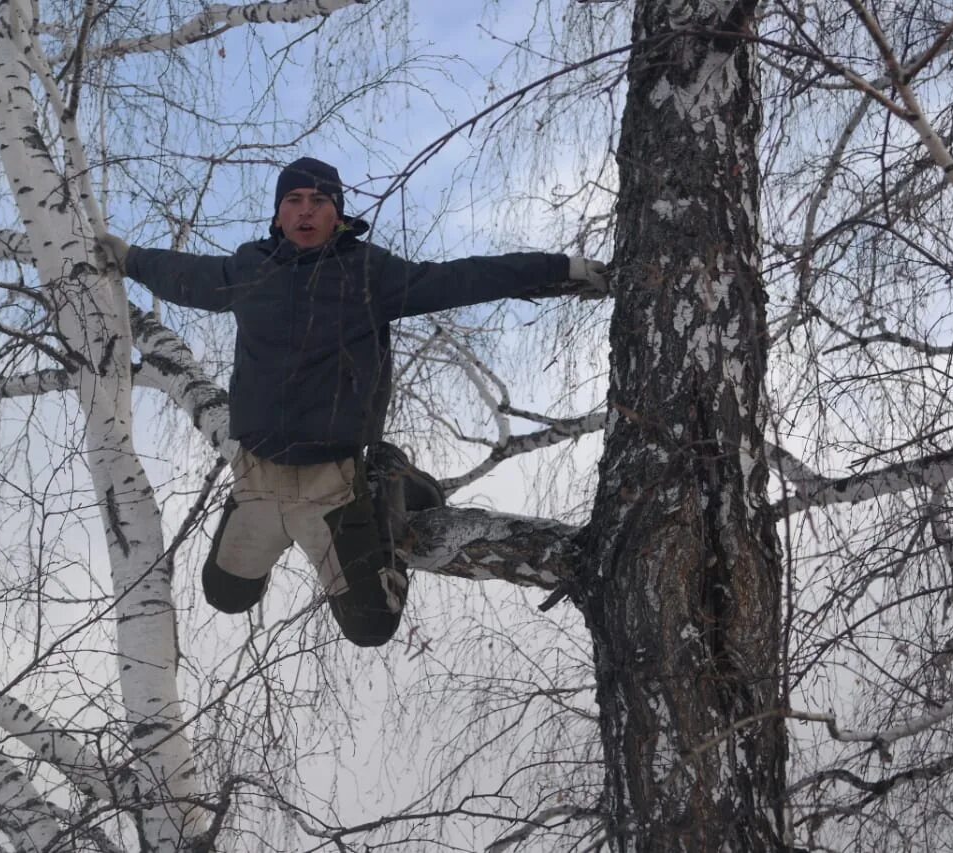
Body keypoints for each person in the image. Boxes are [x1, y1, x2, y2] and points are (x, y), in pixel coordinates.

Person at [100, 157, 608, 647]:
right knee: (227, 595)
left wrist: (562, 268)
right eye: (294, 200)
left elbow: (464, 277)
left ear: (337, 214)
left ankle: (393, 481)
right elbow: (182, 274)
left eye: (319, 201)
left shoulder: (368, 273)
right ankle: (262, 516)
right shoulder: (249, 269)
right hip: (257, 477)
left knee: (371, 628)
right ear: (278, 214)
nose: (305, 211)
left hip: (333, 485)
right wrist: (128, 259)